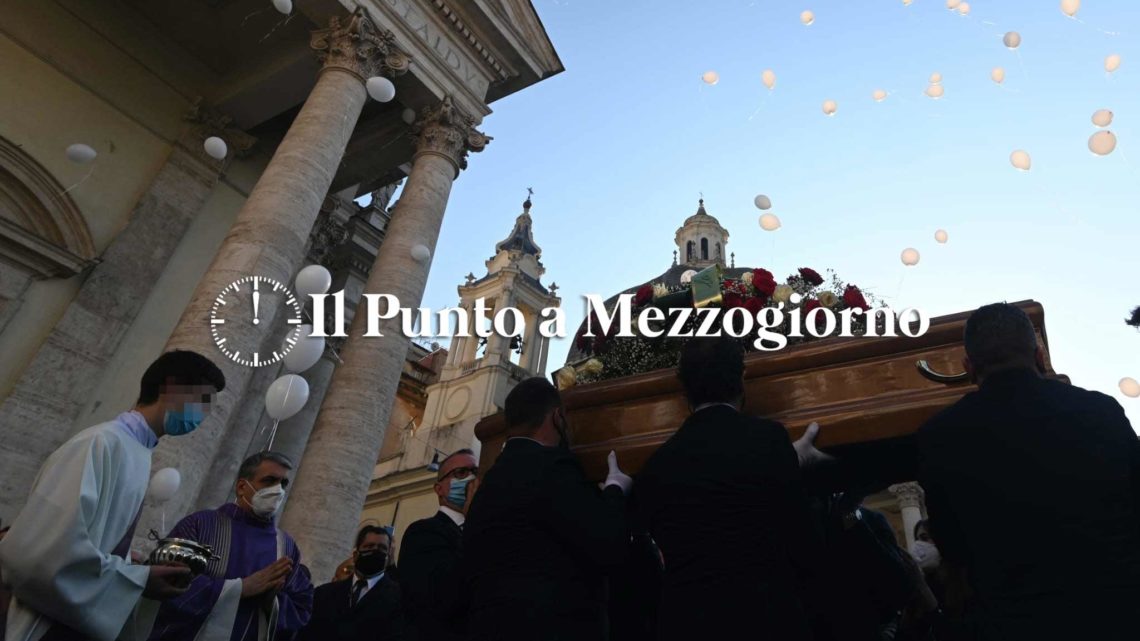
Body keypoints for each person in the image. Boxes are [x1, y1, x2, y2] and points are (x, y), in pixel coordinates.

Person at [918, 302, 1140, 641]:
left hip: (1016, 622)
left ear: (969, 367)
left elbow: (953, 547)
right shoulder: (1101, 411)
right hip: (1118, 613)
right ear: (1038, 355)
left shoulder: (940, 436)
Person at [0, 350, 224, 641]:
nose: (203, 415)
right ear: (171, 386)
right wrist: (139, 580)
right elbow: (41, 555)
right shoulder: (100, 443)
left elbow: (97, 544)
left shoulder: (138, 452)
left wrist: (132, 565)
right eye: (203, 400)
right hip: (48, 625)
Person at [634, 336, 829, 641]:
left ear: (684, 388)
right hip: (766, 620)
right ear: (742, 378)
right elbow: (804, 541)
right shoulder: (769, 440)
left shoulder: (657, 464)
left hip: (687, 624)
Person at [463, 377, 633, 641]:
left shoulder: (487, 483)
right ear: (556, 417)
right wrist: (615, 490)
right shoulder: (552, 468)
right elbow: (607, 543)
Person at [147, 451, 313, 641]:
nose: (278, 490)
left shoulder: (287, 547)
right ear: (242, 487)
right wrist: (240, 589)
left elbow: (301, 607)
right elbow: (165, 581)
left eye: (283, 483)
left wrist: (271, 601)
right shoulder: (201, 525)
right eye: (269, 481)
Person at [398, 449, 478, 641]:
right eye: (461, 473)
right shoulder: (422, 533)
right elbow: (442, 597)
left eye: (476, 472)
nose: (472, 479)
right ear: (439, 488)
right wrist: (475, 523)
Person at [298, 526, 408, 641]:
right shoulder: (323, 594)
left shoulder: (399, 597)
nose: (375, 551)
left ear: (388, 557)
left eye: (382, 548)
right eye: (369, 546)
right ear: (355, 555)